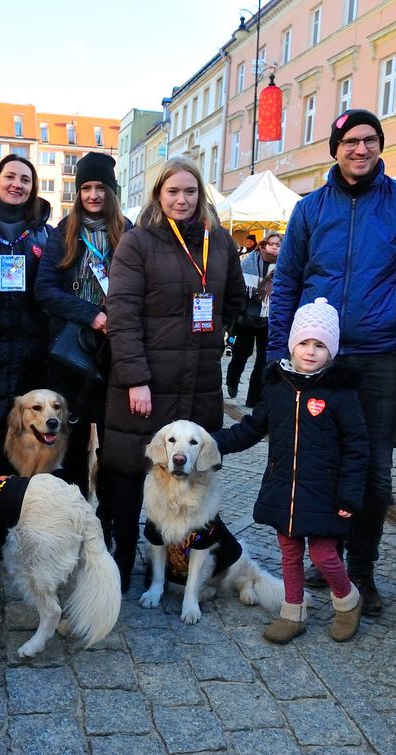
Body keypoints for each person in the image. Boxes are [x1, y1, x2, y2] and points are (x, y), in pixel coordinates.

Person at [269, 109, 396, 617]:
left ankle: (362, 573)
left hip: (381, 357)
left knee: (372, 471)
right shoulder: (310, 209)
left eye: (369, 140)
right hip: (320, 359)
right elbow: (287, 284)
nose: (360, 149)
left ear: (380, 146)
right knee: (320, 465)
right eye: (350, 141)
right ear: (335, 148)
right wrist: (282, 352)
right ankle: (332, 564)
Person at [102, 156, 245, 587]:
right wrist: (135, 378)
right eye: (173, 192)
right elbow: (121, 314)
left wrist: (214, 331)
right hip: (146, 382)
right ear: (158, 196)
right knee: (130, 474)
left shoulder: (219, 242)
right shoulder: (137, 242)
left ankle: (184, 560)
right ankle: (124, 559)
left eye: (190, 191)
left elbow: (235, 299)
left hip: (198, 381)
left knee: (192, 473)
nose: (182, 200)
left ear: (201, 195)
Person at [215, 298, 368, 643]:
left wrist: (349, 494)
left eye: (319, 345)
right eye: (304, 343)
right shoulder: (278, 386)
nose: (310, 351)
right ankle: (293, 611)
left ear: (331, 350)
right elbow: (252, 427)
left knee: (323, 553)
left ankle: (347, 601)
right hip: (284, 487)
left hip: (325, 493)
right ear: (292, 345)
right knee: (289, 551)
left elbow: (357, 447)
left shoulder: (340, 391)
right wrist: (214, 443)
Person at [35, 151, 129, 501]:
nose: (93, 195)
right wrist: (90, 313)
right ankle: (72, 511)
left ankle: (104, 520)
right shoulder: (64, 233)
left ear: (112, 190)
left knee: (113, 443)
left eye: (100, 187)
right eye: (86, 187)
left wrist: (116, 315)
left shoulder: (129, 234)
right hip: (70, 354)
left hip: (114, 352)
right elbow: (44, 290)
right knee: (71, 444)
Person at [0, 154, 52, 475]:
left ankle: (22, 510)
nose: (17, 184)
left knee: (28, 443)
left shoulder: (45, 234)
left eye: (25, 179)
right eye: (10, 177)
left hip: (33, 352)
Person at [226, 231, 280, 406]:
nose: (276, 248)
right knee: (241, 354)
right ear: (263, 245)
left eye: (279, 245)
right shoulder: (247, 262)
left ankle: (253, 399)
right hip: (246, 317)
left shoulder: (283, 266)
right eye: (272, 244)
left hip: (268, 319)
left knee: (263, 361)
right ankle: (232, 380)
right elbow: (237, 288)